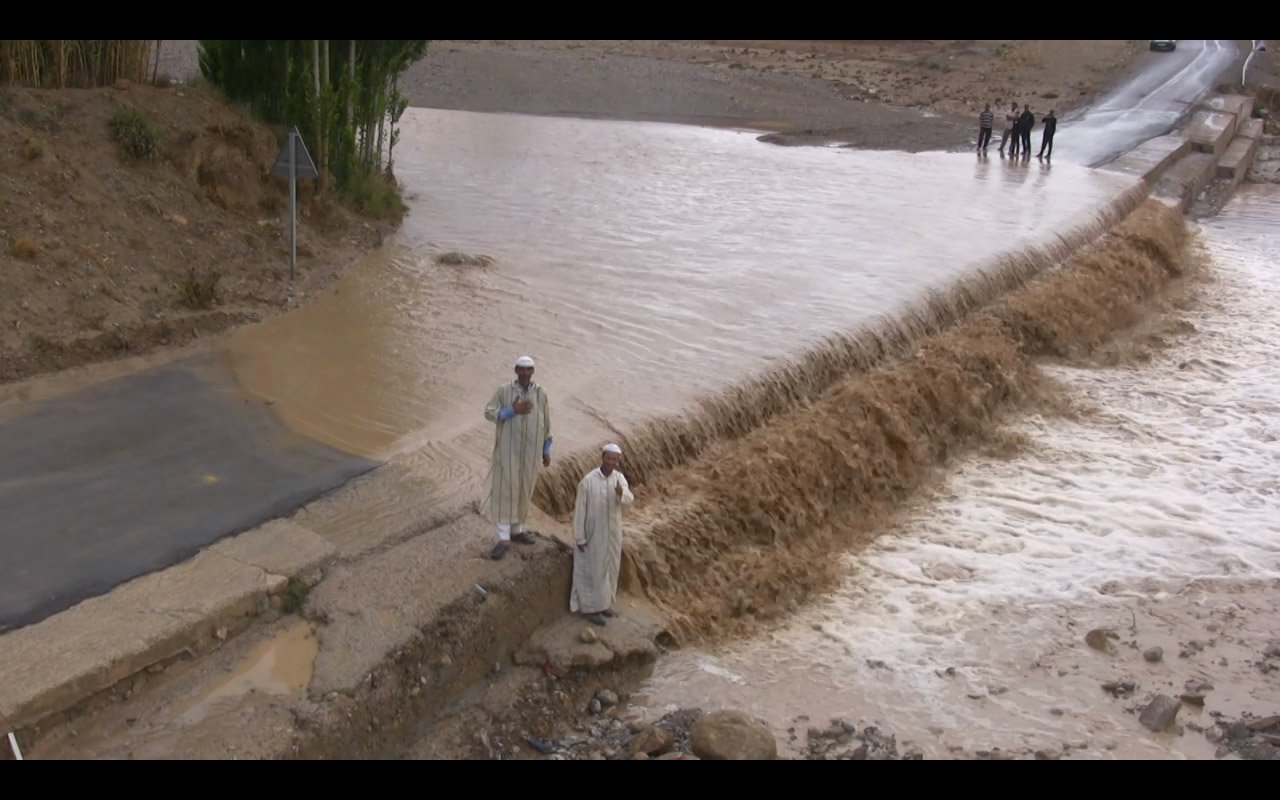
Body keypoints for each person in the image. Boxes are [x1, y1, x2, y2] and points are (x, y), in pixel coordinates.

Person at [482, 355, 552, 560]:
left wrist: (546, 449)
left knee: (524, 488)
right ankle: (503, 537)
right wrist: (512, 410)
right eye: (521, 369)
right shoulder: (504, 391)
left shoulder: (541, 393)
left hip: (531, 452)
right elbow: (488, 412)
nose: (525, 373)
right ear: (515, 370)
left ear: (533, 372)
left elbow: (546, 422)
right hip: (508, 451)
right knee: (506, 489)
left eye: (528, 369)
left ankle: (517, 530)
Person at [570, 443, 634, 626]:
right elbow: (580, 510)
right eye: (608, 458)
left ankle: (604, 604)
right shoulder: (588, 481)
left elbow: (629, 499)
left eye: (615, 459)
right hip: (593, 534)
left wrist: (622, 493)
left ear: (618, 461)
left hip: (612, 534)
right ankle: (591, 609)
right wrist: (579, 537)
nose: (611, 462)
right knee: (593, 570)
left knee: (610, 568)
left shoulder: (619, 478)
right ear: (603, 458)